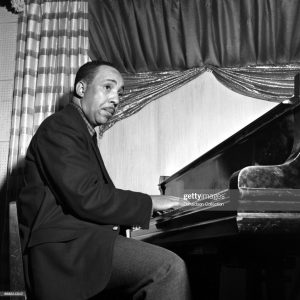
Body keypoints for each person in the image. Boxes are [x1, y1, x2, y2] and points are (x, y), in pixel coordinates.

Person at [18, 61, 191, 300]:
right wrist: (150, 202)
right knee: (168, 269)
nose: (116, 99)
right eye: (107, 87)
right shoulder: (60, 127)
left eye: (119, 93)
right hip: (64, 253)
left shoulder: (80, 130)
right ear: (81, 89)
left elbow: (90, 195)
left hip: (79, 242)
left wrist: (146, 211)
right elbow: (87, 197)